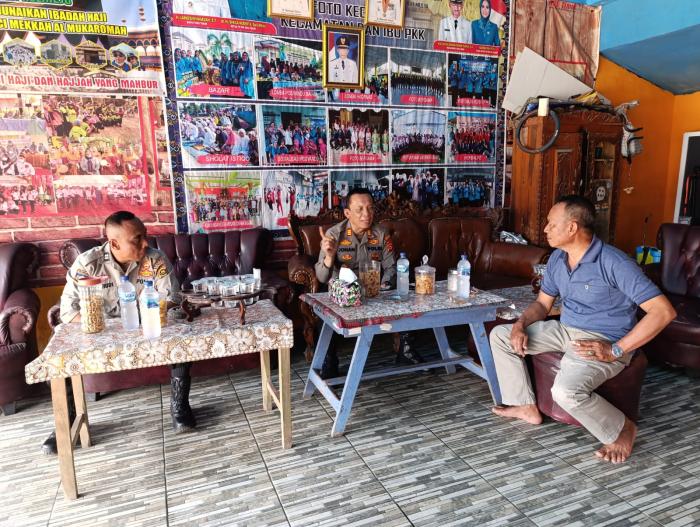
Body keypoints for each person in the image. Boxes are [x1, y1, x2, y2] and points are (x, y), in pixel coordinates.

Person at [489, 196, 676, 463]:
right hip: (566, 330)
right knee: (501, 336)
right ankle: (525, 406)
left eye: (552, 224)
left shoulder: (615, 263)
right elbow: (542, 305)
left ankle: (623, 429)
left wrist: (616, 349)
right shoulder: (558, 259)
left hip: (603, 339)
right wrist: (520, 325)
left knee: (565, 392)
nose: (545, 229)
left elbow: (663, 312)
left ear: (572, 227)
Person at [41, 211, 199, 456]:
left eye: (145, 236)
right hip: (101, 333)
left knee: (179, 334)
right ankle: (67, 420)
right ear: (114, 243)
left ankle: (180, 407)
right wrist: (111, 325)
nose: (145, 243)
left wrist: (147, 315)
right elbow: (68, 312)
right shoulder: (88, 264)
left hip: (146, 326)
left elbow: (173, 297)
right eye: (137, 239)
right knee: (60, 352)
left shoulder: (154, 259)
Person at [315, 188, 423, 378]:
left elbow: (391, 267)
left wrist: (385, 285)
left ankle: (406, 350)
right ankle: (329, 360)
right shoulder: (334, 235)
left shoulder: (381, 233)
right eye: (360, 209)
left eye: (370, 208)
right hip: (344, 293)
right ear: (347, 213)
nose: (367, 214)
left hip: (375, 289)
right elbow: (322, 277)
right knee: (323, 305)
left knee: (407, 288)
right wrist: (329, 257)